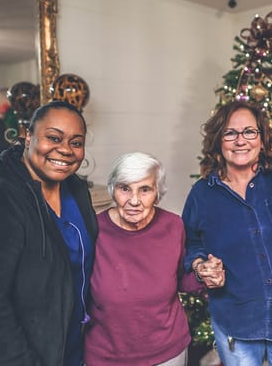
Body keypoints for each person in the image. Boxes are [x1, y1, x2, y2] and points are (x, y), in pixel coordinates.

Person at [0, 101, 98, 366]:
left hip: (65, 348)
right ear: (27, 135)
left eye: (76, 142)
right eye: (53, 137)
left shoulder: (77, 190)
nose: (65, 150)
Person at [183, 100, 272, 365]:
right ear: (219, 140)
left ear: (262, 139)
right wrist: (200, 265)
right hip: (235, 322)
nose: (241, 140)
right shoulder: (202, 194)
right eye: (230, 133)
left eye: (249, 132)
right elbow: (190, 243)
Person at [84, 152, 216, 366]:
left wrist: (204, 275)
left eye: (145, 189)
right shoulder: (93, 229)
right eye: (124, 188)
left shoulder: (173, 226)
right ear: (113, 189)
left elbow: (181, 279)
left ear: (157, 192)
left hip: (167, 353)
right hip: (106, 356)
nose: (134, 201)